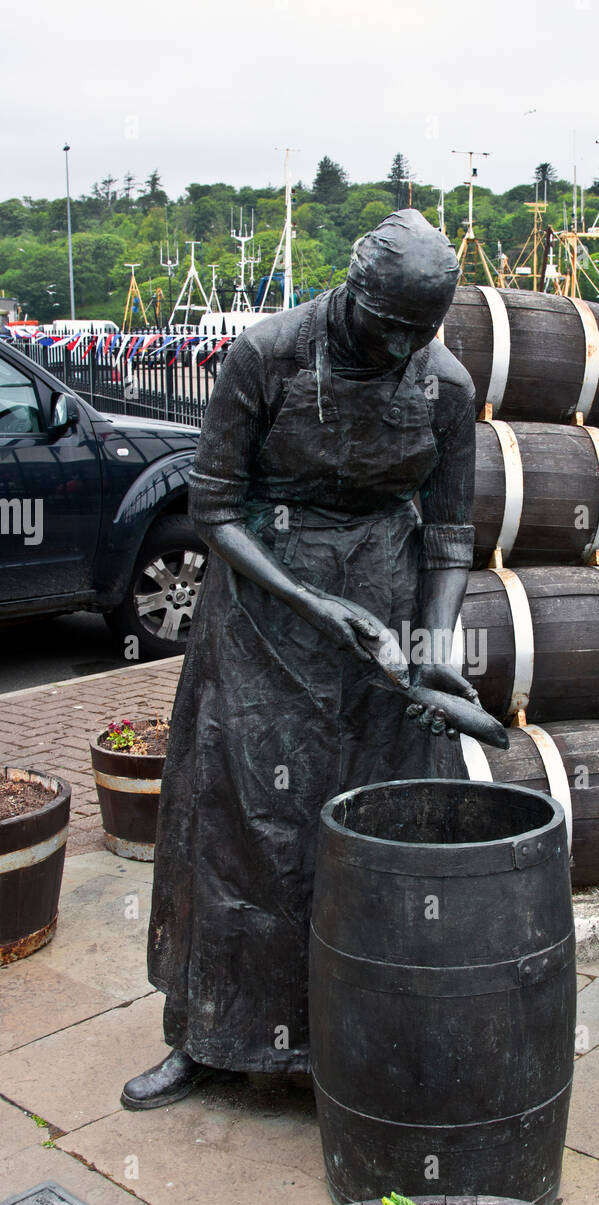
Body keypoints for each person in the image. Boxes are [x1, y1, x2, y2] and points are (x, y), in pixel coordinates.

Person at [121, 209, 479, 1108]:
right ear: (351, 292)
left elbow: (448, 533)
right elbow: (214, 510)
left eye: (420, 333)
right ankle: (208, 1033)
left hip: (386, 616)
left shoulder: (443, 384)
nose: (402, 348)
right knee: (241, 826)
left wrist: (432, 647)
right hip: (264, 607)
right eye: (389, 326)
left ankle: (355, 1045)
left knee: (372, 824)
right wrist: (314, 602)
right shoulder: (265, 355)